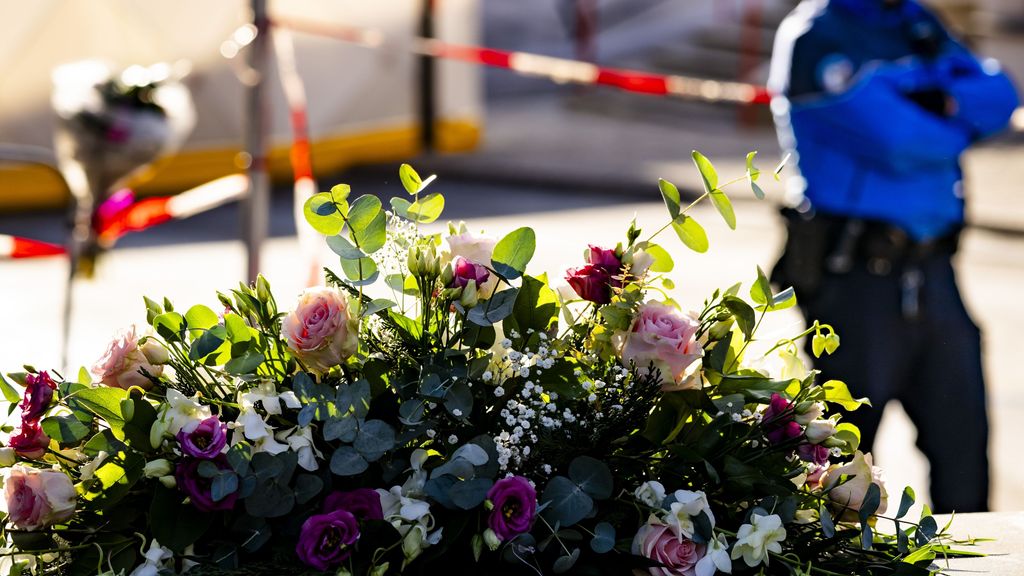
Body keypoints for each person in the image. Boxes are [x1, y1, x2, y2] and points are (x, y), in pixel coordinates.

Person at [767, 0, 1018, 513]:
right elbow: (901, 141)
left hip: (934, 272)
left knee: (965, 459)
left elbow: (1001, 96)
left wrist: (937, 103)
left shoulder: (913, 19)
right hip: (855, 280)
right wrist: (957, 117)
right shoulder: (816, 34)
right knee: (840, 478)